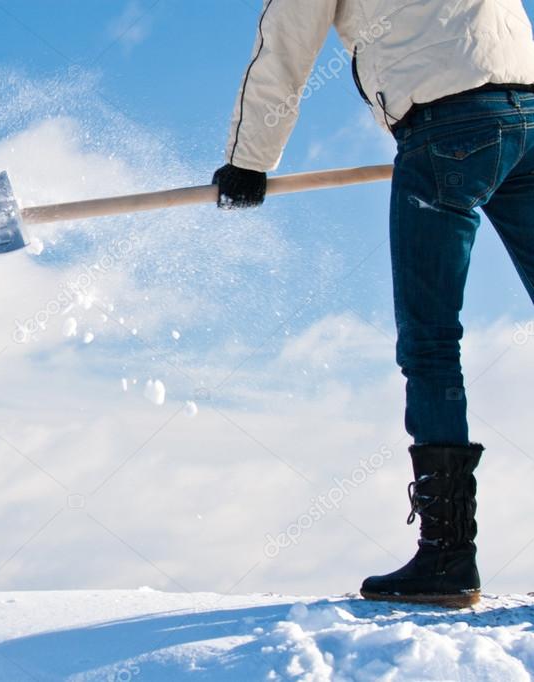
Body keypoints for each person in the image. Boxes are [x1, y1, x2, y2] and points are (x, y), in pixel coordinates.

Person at [215, 0, 534, 607]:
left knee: (432, 343)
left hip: (447, 129)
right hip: (531, 109)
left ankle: (447, 557)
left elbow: (285, 47)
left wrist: (247, 163)